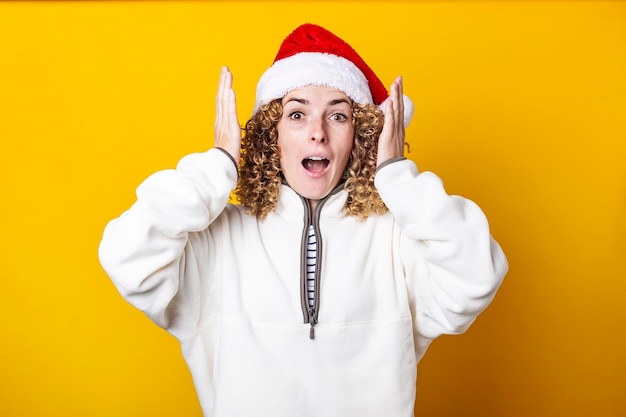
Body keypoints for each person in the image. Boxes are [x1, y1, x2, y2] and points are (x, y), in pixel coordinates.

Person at [99, 23, 508, 417]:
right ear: (269, 135)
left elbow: (476, 275)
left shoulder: (394, 240)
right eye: (297, 115)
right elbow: (127, 256)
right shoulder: (219, 241)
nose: (318, 133)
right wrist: (216, 166)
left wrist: (397, 177)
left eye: (338, 115)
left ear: (361, 136)